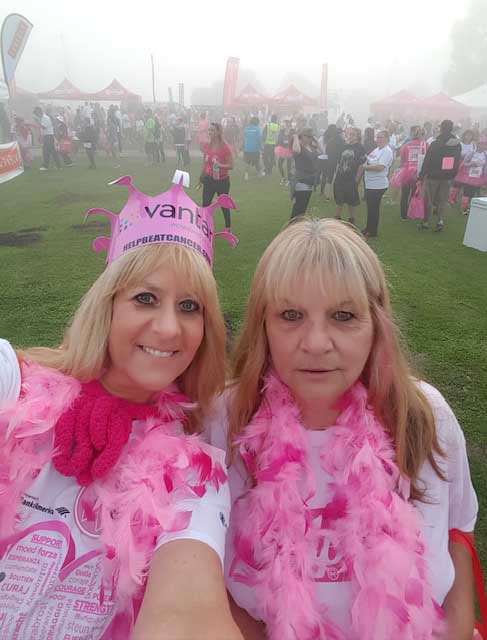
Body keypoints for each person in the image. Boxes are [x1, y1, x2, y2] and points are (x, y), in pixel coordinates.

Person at [206, 218, 478, 640]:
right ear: (264, 326)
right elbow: (198, 573)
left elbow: (459, 532)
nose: (316, 342)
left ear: (377, 325)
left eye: (344, 316)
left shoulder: (426, 416)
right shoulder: (222, 421)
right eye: (291, 315)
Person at [0, 176, 245, 640]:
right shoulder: (15, 386)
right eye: (146, 298)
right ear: (108, 306)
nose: (170, 328)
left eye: (190, 306)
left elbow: (191, 612)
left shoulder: (192, 474)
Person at [418, 119, 462, 232]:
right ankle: (440, 220)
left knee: (429, 200)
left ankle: (426, 221)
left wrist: (421, 176)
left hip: (433, 176)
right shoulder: (457, 145)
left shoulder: (435, 144)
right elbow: (457, 161)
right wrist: (453, 174)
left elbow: (427, 160)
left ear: (441, 129)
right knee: (443, 200)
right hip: (447, 177)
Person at [200, 122, 235, 234]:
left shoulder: (225, 147)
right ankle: (205, 227)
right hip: (209, 179)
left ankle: (228, 227)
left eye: (212, 130)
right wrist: (201, 176)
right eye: (209, 130)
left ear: (218, 132)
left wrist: (220, 165)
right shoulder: (207, 146)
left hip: (222, 181)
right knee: (205, 204)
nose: (210, 132)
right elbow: (205, 162)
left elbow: (231, 165)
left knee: (224, 204)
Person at [363, 130, 394, 238]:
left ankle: (372, 231)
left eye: (382, 137)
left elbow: (380, 167)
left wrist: (365, 167)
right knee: (370, 207)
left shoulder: (387, 151)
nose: (379, 139)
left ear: (387, 139)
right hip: (370, 184)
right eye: (378, 137)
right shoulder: (377, 149)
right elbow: (369, 160)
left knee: (373, 208)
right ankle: (368, 228)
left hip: (378, 185)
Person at [332, 127, 366, 226]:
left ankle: (352, 219)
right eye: (349, 134)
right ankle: (337, 217)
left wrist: (356, 180)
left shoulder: (360, 148)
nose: (350, 136)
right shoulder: (344, 147)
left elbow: (361, 165)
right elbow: (339, 162)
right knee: (339, 199)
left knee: (351, 200)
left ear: (358, 136)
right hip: (340, 177)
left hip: (351, 178)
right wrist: (336, 175)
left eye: (353, 134)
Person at [397, 125, 427, 219]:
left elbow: (402, 159)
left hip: (407, 171)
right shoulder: (426, 145)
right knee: (414, 193)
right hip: (419, 172)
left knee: (405, 193)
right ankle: (411, 212)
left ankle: (403, 214)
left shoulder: (407, 145)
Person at [452, 136, 487, 214]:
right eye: (481, 144)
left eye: (485, 145)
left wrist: (485, 177)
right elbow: (464, 163)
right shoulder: (472, 153)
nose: (483, 146)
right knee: (467, 192)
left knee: (472, 192)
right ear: (478, 144)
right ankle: (464, 208)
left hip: (478, 177)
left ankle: (468, 206)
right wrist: (471, 164)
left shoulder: (485, 155)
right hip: (469, 176)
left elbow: (485, 167)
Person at [290, 128, 319, 219]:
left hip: (310, 180)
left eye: (311, 136)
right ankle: (292, 228)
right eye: (307, 136)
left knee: (302, 209)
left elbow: (322, 152)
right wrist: (295, 137)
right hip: (301, 180)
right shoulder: (298, 146)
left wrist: (316, 141)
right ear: (301, 136)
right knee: (299, 209)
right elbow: (296, 150)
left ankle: (296, 227)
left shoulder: (311, 147)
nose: (310, 138)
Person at [449, 130, 476, 206]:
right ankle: (452, 198)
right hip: (459, 164)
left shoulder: (473, 145)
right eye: (467, 135)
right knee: (457, 182)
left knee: (465, 182)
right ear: (464, 135)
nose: (468, 137)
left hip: (468, 166)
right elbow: (456, 153)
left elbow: (474, 153)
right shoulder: (460, 144)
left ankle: (461, 200)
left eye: (470, 135)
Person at [33, 106, 62, 171]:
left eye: (36, 113)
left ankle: (46, 166)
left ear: (39, 112)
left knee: (47, 152)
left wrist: (37, 121)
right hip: (48, 136)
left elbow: (44, 127)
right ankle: (58, 166)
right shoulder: (44, 118)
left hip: (48, 136)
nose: (36, 115)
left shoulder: (45, 118)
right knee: (52, 152)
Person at [243, 116, 262, 181]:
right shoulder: (258, 129)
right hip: (255, 148)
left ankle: (246, 175)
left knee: (248, 162)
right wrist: (261, 147)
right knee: (256, 162)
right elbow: (259, 139)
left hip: (247, 148)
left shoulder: (246, 128)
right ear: (256, 122)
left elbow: (244, 137)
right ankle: (260, 174)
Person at [275, 119, 293, 186]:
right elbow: (279, 139)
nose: (286, 124)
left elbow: (294, 139)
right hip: (282, 149)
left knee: (289, 166)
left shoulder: (292, 131)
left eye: (288, 123)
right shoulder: (282, 131)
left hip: (289, 149)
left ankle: (289, 180)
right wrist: (278, 144)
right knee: (279, 164)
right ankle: (283, 177)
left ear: (290, 123)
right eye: (285, 123)